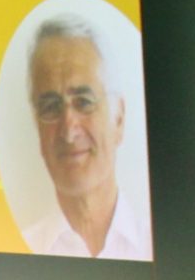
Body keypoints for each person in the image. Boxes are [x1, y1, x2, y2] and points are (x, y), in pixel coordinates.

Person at [18, 16, 151, 258]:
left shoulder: (152, 243)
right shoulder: (23, 244)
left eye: (84, 102)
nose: (69, 131)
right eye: (51, 107)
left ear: (119, 118)